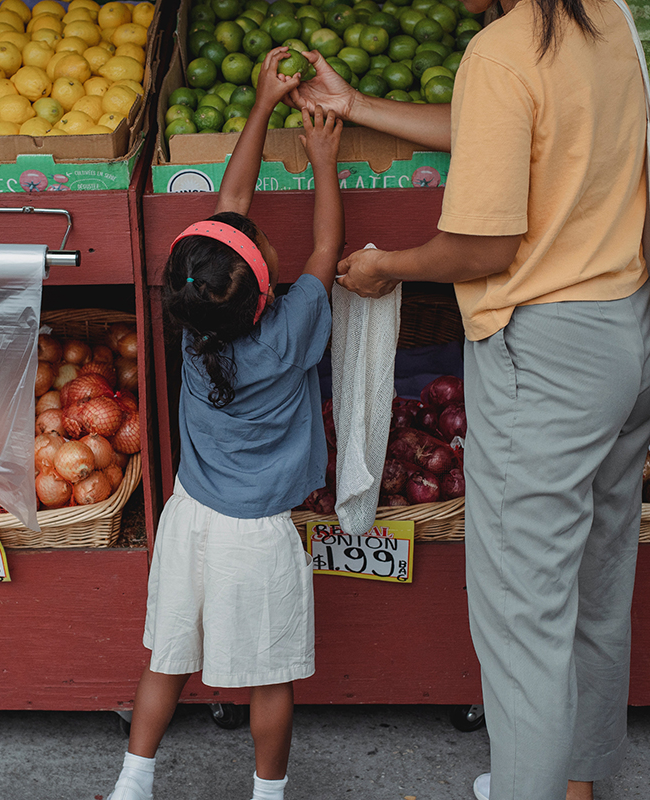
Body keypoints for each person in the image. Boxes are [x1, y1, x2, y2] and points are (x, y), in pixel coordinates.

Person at [286, 1, 650, 799]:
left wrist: (387, 266)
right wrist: (357, 106)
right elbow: (504, 131)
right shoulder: (609, 16)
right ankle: (576, 784)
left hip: (544, 352)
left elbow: (483, 247)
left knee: (523, 618)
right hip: (624, 329)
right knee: (595, 584)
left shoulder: (500, 51)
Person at [103, 47, 344, 800]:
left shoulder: (190, 324)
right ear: (265, 282)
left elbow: (229, 205)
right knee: (269, 679)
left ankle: (133, 784)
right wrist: (322, 159)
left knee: (166, 659)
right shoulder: (293, 324)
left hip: (188, 519)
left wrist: (261, 104)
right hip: (257, 537)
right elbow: (329, 249)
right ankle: (267, 796)